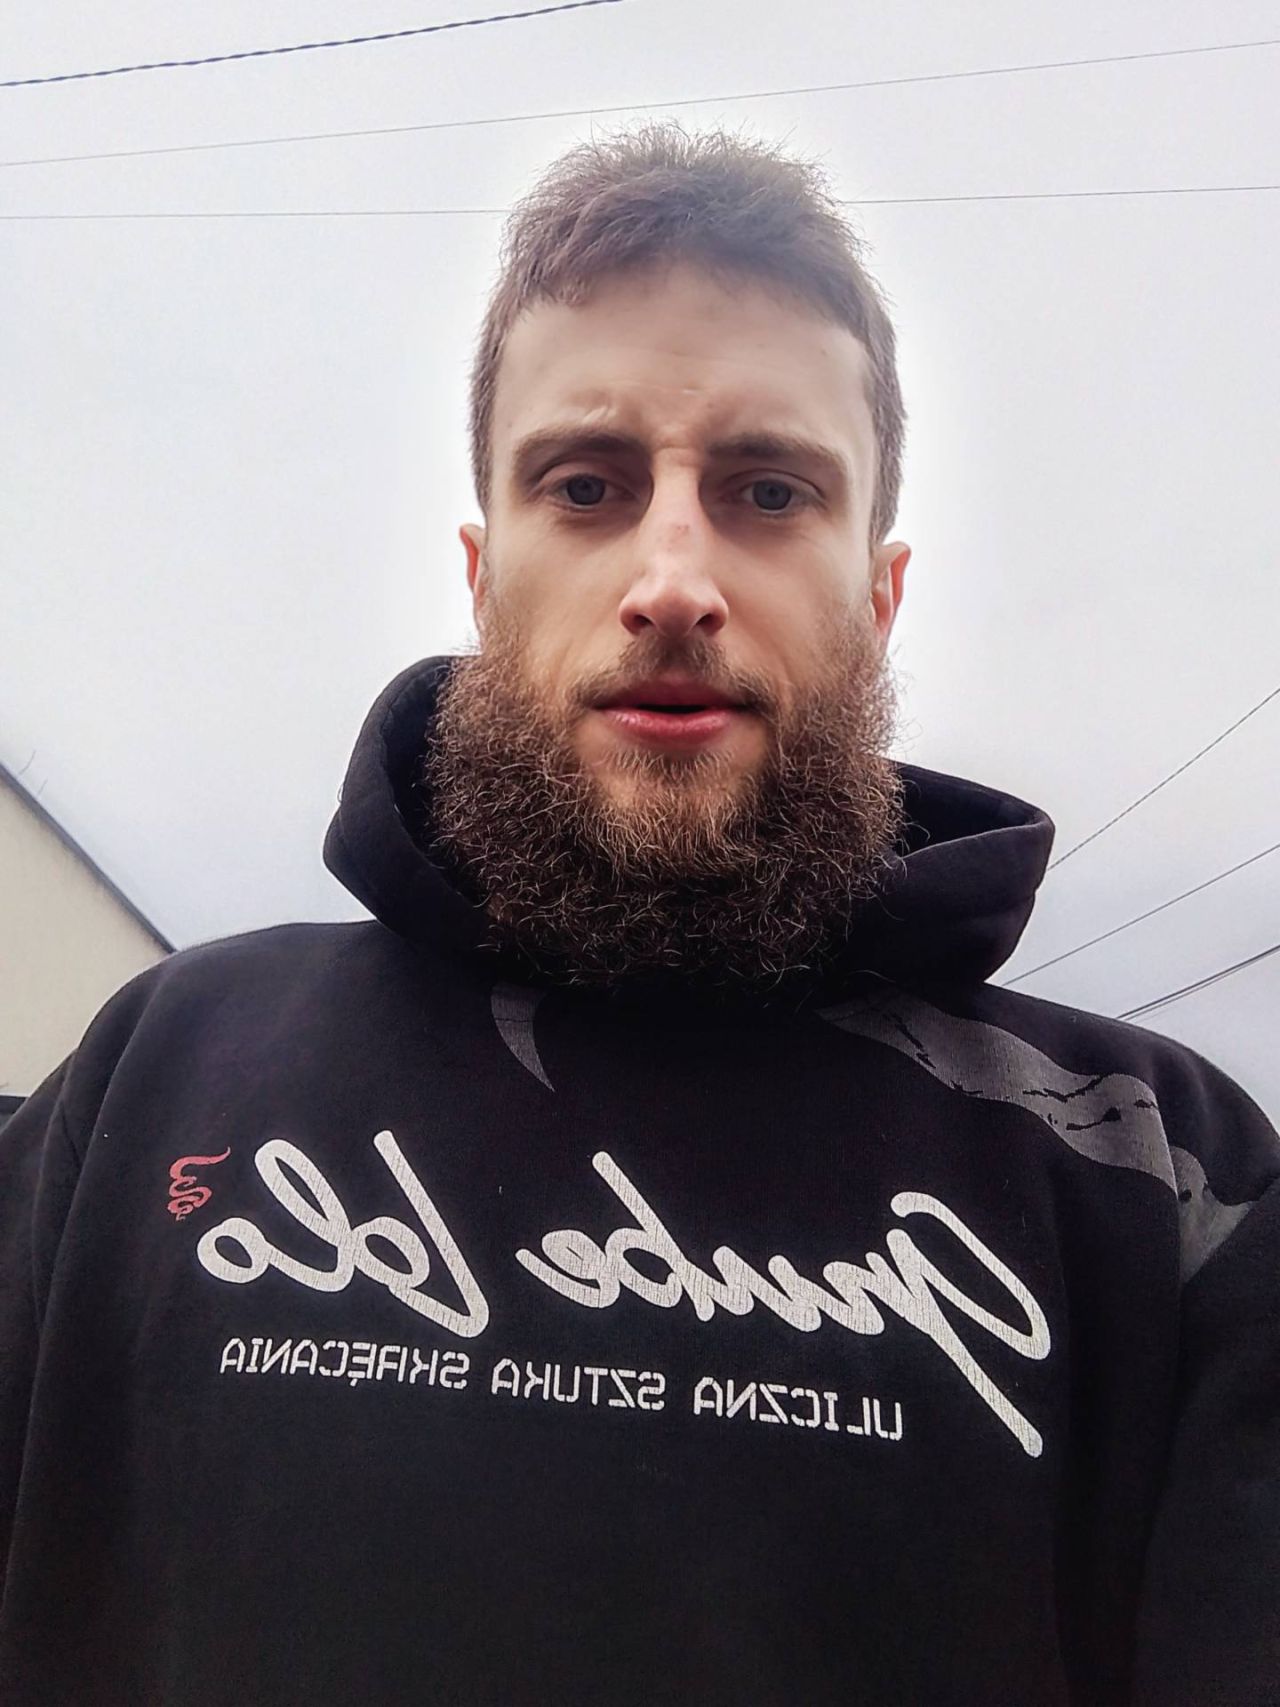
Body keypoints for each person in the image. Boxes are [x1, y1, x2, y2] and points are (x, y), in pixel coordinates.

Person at [1, 123, 1276, 1707]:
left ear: (879, 599)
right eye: (588, 485)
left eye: (767, 490)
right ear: (484, 577)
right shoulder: (160, 1076)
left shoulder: (1167, 1187)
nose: (673, 578)